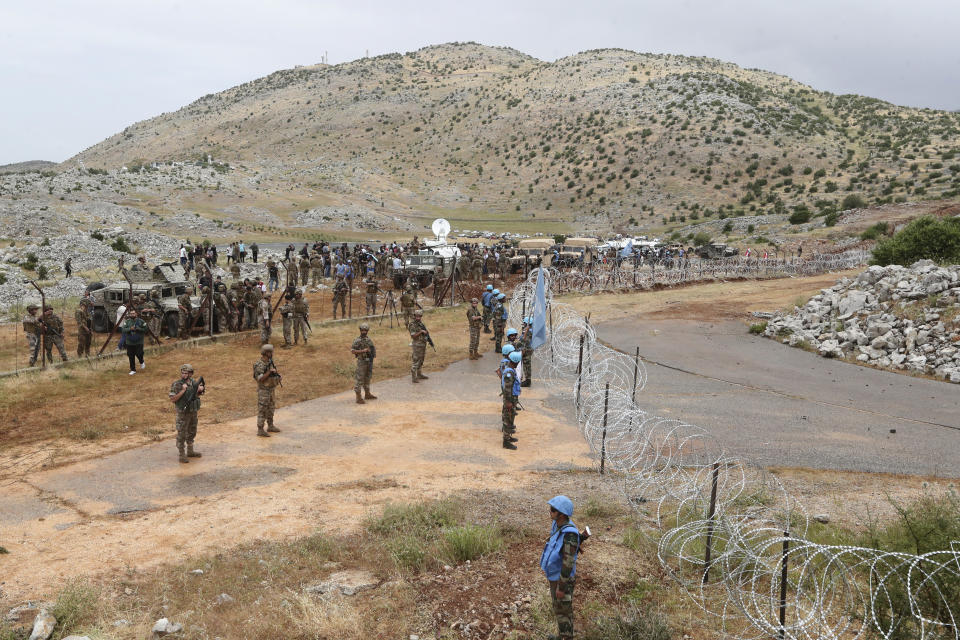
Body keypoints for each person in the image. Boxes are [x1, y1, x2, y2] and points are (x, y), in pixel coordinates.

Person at [540, 495, 581, 640]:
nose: (549, 512)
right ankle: (562, 635)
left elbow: (568, 563)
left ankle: (566, 637)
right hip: (554, 575)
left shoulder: (569, 533)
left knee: (564, 612)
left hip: (562, 578)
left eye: (553, 510)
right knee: (559, 610)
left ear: (562, 514)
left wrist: (562, 587)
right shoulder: (558, 524)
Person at [169, 364, 205, 463]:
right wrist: (183, 390)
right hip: (183, 413)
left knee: (192, 431)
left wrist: (199, 390)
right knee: (182, 433)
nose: (184, 375)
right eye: (182, 373)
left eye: (186, 373)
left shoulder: (194, 382)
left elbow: (196, 396)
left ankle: (190, 451)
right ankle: (181, 454)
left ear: (190, 373)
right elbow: (173, 399)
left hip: (193, 411)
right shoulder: (177, 384)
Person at [253, 344, 281, 436]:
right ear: (266, 353)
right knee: (262, 409)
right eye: (271, 352)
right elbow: (260, 379)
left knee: (271, 408)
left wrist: (277, 376)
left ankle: (270, 425)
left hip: (271, 389)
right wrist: (269, 372)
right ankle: (260, 429)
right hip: (264, 391)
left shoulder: (270, 362)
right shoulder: (259, 365)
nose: (272, 353)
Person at [350, 323, 377, 404]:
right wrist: (363, 351)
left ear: (367, 331)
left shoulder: (369, 340)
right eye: (362, 330)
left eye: (365, 330)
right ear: (360, 330)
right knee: (360, 379)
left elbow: (372, 349)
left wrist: (372, 355)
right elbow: (352, 351)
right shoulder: (357, 340)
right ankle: (358, 397)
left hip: (369, 361)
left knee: (368, 377)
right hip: (361, 362)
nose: (364, 332)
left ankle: (367, 394)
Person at [501, 351, 521, 449]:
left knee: (510, 418)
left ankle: (508, 437)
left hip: (512, 399)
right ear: (515, 362)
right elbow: (507, 389)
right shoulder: (509, 373)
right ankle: (506, 441)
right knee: (507, 420)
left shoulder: (510, 370)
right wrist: (508, 402)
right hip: (509, 400)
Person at [121, 309, 147, 374]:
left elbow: (146, 329)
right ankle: (133, 369)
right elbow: (123, 330)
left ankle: (141, 361)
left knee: (139, 353)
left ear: (136, 314)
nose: (132, 314)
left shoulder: (141, 321)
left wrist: (139, 328)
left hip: (139, 341)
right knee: (131, 355)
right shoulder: (127, 322)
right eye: (131, 313)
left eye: (133, 313)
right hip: (129, 342)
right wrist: (130, 329)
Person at [408, 308, 429, 383]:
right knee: (416, 360)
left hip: (422, 344)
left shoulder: (420, 323)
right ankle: (414, 377)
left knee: (421, 360)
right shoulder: (412, 324)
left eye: (420, 316)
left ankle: (419, 374)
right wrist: (421, 332)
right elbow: (413, 336)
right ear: (414, 316)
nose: (418, 318)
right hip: (417, 345)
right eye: (417, 316)